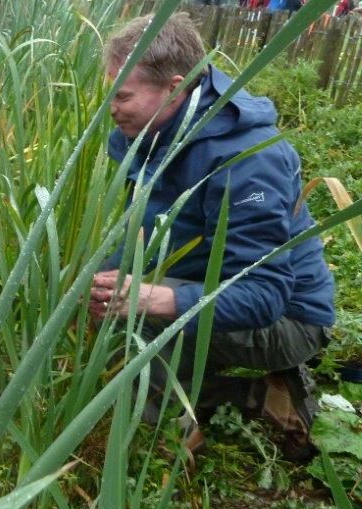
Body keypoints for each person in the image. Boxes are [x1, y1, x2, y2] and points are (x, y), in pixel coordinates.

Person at [89, 13, 335, 455]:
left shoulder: (247, 162)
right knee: (99, 286)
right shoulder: (151, 128)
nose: (112, 108)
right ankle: (206, 383)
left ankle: (168, 438)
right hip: (207, 277)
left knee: (133, 313)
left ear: (174, 86)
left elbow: (265, 294)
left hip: (289, 319)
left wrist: (150, 297)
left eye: (123, 95)